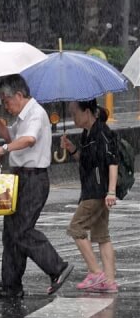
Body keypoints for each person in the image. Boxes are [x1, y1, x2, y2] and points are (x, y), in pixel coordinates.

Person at [0, 74, 73, 298]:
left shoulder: (35, 113)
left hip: (34, 179)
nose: (5, 105)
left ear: (19, 95)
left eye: (6, 101)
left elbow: (28, 140)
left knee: (22, 230)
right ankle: (11, 285)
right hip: (20, 177)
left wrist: (4, 149)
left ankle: (58, 268)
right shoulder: (22, 116)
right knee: (10, 233)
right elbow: (10, 135)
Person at [60, 100, 119, 293]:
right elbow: (85, 160)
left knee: (76, 228)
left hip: (97, 192)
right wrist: (72, 149)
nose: (72, 117)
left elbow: (112, 161)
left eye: (74, 113)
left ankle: (96, 273)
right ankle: (109, 282)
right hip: (94, 190)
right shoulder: (87, 133)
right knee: (102, 236)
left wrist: (111, 191)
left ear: (87, 112)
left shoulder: (102, 132)